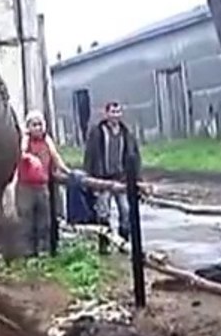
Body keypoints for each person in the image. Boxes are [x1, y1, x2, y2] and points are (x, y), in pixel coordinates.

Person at [83, 101, 141, 241]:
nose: (115, 115)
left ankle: (124, 241)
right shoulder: (97, 133)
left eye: (118, 112)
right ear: (106, 114)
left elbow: (135, 156)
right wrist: (90, 179)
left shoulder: (126, 134)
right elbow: (90, 156)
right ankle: (104, 242)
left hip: (121, 179)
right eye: (112, 112)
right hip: (103, 178)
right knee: (103, 212)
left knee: (125, 210)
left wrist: (136, 178)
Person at [15, 110, 70, 257]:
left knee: (44, 221)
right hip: (26, 187)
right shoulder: (25, 141)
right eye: (34, 125)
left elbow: (56, 158)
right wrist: (30, 158)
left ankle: (43, 251)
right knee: (26, 221)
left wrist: (67, 172)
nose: (38, 128)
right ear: (28, 127)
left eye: (40, 124)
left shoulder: (47, 142)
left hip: (42, 186)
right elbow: (19, 154)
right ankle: (27, 252)